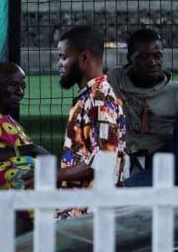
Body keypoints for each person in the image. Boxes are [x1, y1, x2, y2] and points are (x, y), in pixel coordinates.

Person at [111, 28, 178, 186]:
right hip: (142, 166)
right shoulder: (115, 81)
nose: (152, 62)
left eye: (157, 56)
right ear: (130, 58)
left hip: (173, 158)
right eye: (144, 57)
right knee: (123, 192)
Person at [54, 25, 125, 218]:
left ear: (84, 57)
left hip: (88, 212)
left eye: (63, 57)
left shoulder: (99, 99)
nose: (59, 64)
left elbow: (103, 161)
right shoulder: (90, 96)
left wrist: (54, 175)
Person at [0, 62, 47, 197]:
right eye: (14, 86)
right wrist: (30, 149)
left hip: (30, 177)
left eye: (23, 87)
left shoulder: (7, 118)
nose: (20, 92)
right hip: (8, 182)